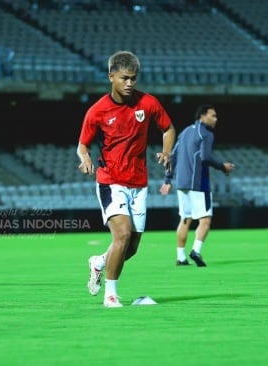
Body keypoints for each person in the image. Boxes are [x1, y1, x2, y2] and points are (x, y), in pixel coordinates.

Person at [77, 50, 176, 308]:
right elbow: (82, 145)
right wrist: (85, 159)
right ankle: (111, 296)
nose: (130, 83)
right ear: (111, 76)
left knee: (130, 248)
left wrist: (166, 151)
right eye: (124, 78)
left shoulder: (148, 103)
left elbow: (168, 128)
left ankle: (99, 262)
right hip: (111, 180)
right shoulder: (97, 111)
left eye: (133, 78)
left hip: (139, 183)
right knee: (121, 235)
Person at [159, 104, 235, 267]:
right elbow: (205, 156)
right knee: (205, 219)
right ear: (202, 117)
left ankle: (180, 257)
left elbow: (173, 157)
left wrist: (167, 180)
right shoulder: (206, 133)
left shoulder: (185, 132)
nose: (216, 119)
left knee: (185, 219)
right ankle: (196, 250)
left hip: (182, 183)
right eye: (212, 115)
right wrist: (223, 166)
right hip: (199, 183)